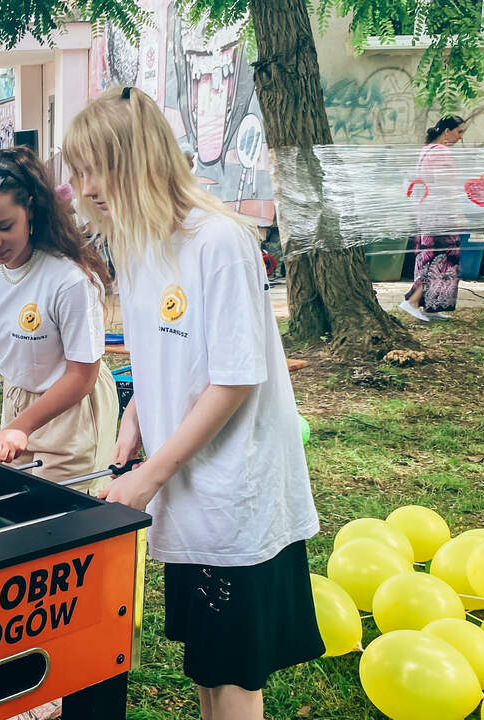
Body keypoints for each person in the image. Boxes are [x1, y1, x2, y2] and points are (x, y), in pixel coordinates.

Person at [64, 86, 322, 720]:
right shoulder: (135, 242)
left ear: (143, 159)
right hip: (186, 489)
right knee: (208, 668)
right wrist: (134, 418)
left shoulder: (219, 241)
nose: (87, 188)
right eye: (79, 171)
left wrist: (150, 476)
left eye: (100, 168)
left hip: (233, 494)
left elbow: (234, 381)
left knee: (233, 677)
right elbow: (162, 357)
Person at [0, 147, 119, 488]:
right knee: (17, 504)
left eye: (4, 227)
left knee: (63, 512)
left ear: (31, 211)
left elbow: (82, 375)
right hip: (17, 399)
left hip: (71, 408)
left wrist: (22, 426)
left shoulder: (69, 279)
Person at [401, 115, 468, 322]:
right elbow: (444, 187)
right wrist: (457, 213)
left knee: (430, 256)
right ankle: (412, 301)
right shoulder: (441, 152)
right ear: (447, 131)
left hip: (427, 212)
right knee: (440, 259)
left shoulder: (427, 150)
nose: (460, 137)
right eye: (459, 131)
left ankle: (431, 306)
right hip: (441, 214)